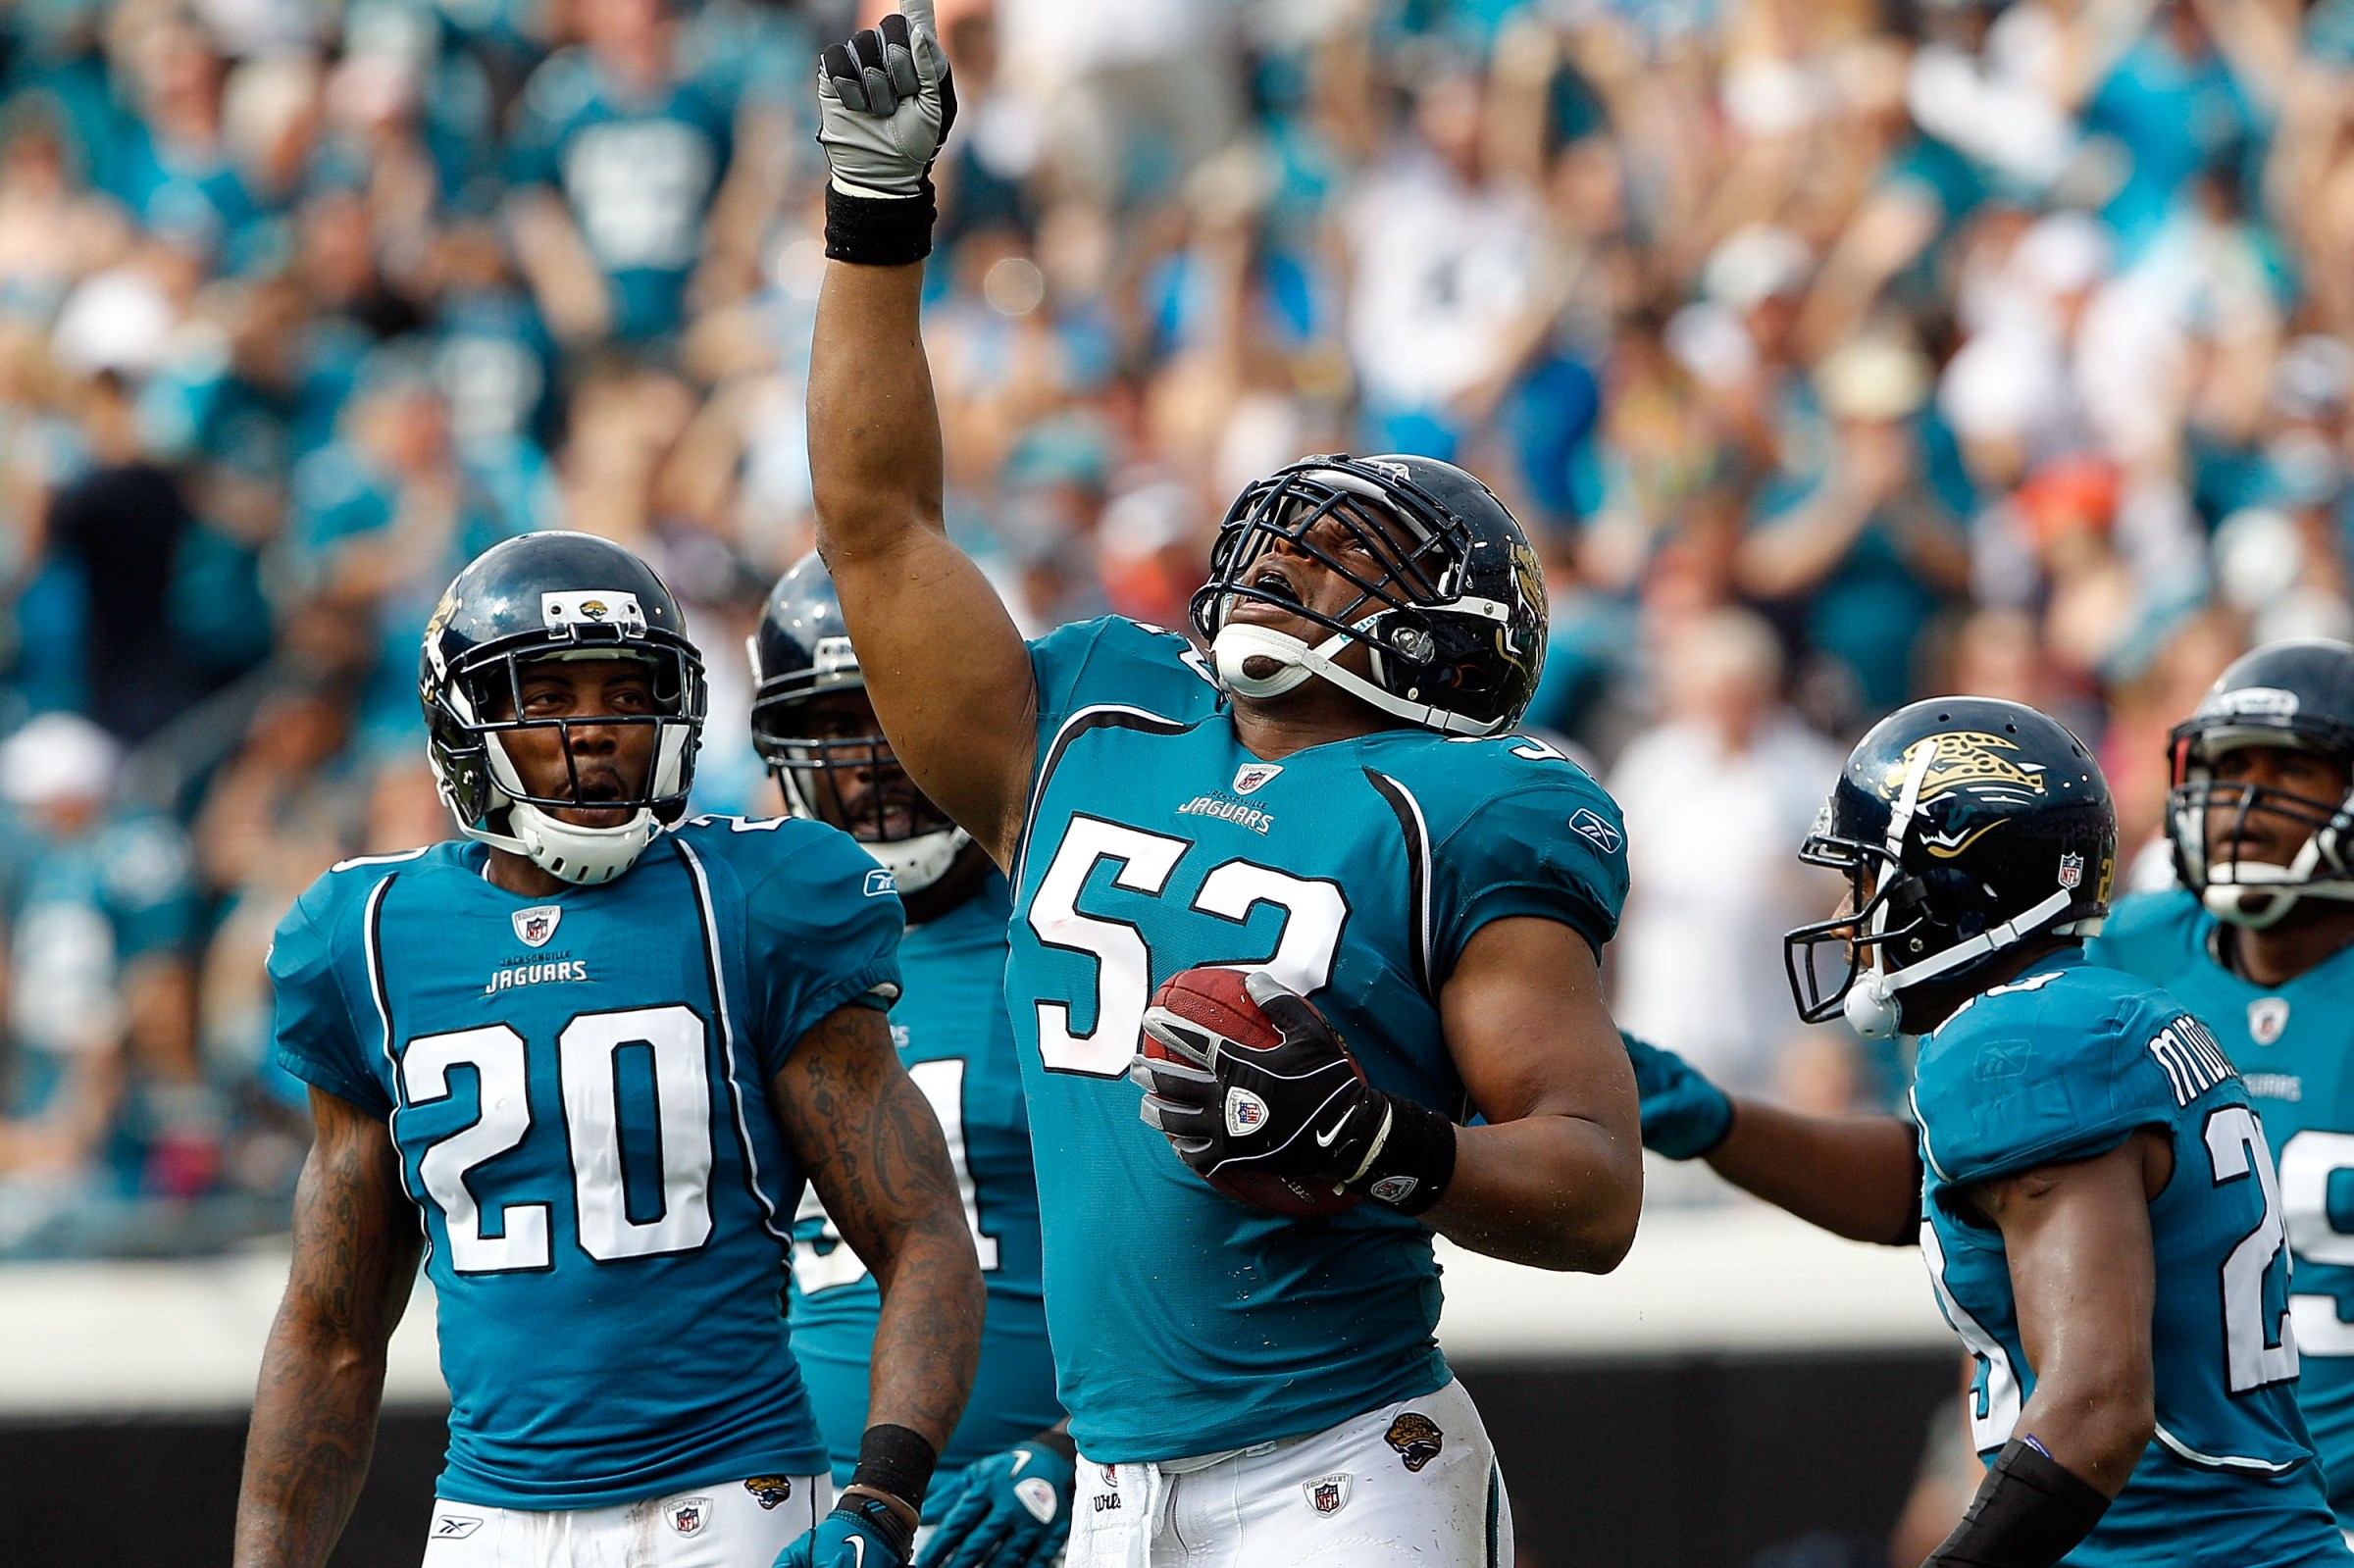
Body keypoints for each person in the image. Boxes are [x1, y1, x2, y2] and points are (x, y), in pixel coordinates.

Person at [800, 7, 1644, 1563]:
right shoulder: (1090, 722)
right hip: (1111, 1484)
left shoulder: (1465, 808)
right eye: (1284, 534)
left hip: (1342, 1467)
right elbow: (877, 527)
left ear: (1452, 644)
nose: (1281, 562)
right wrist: (873, 224)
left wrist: (1393, 1146)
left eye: (1345, 556)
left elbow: (1593, 1186)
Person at [232, 531, 985, 1568]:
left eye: (622, 695)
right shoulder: (365, 935)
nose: (591, 733)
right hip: (486, 1525)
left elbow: (924, 1235)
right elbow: (332, 1330)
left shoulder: (759, 899)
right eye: (545, 697)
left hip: (732, 1504)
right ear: (470, 721)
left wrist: (884, 1501)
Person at [1630, 696, 2350, 1566]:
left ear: (1949, 884)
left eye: (1867, 876)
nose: (1851, 909)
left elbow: (2096, 1405)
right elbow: (1936, 1190)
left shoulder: (2021, 1037)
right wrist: (1713, 1118)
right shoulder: (2092, 1009)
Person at [752, 556, 1073, 1568]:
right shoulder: (736, 948)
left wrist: (1083, 1454)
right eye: (836, 724)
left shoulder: (1080, 930)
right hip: (794, 1518)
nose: (875, 758)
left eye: (899, 708)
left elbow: (1204, 1247)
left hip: (1055, 1513)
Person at [2084, 638, 2354, 1535]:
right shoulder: (2128, 955)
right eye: (2230, 764)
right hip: (2178, 1508)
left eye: (2292, 768)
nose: (2245, 797)